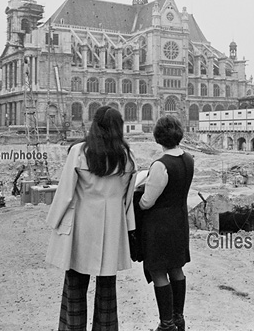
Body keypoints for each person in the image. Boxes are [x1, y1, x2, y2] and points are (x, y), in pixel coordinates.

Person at [45, 106, 136, 330]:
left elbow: (66, 192)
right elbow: (128, 199)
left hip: (82, 224)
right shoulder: (127, 156)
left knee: (74, 286)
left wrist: (54, 222)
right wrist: (129, 228)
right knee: (107, 290)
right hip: (112, 225)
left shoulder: (79, 152)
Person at [139, 115, 194, 331]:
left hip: (160, 226)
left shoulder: (161, 165)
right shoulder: (189, 158)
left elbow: (146, 202)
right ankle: (178, 319)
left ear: (158, 137)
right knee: (176, 268)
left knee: (159, 271)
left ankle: (166, 324)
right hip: (180, 222)